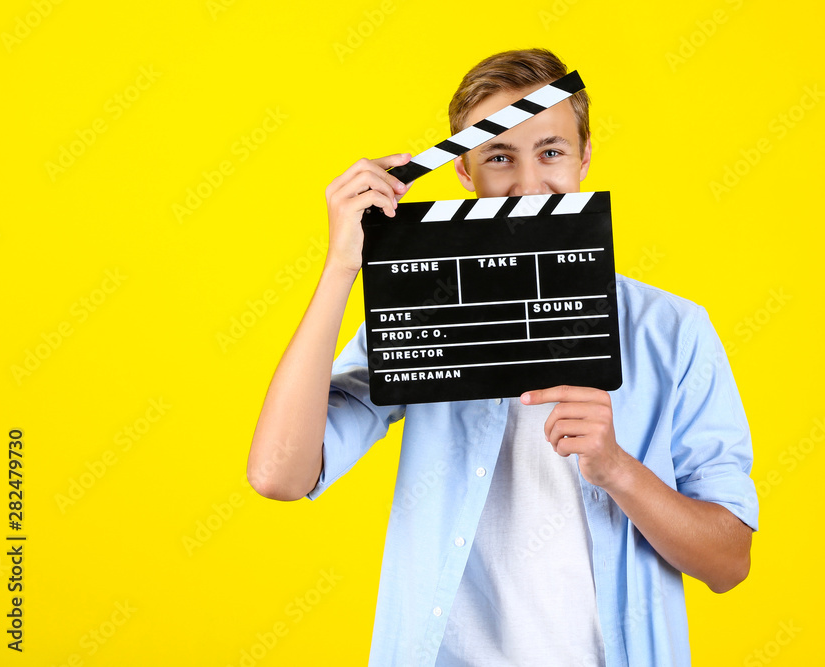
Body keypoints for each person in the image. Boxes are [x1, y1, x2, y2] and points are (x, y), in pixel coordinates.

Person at [247, 48, 758, 666]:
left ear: (584, 156)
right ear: (465, 173)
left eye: (551, 151)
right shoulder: (424, 315)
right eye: (498, 156)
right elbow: (279, 474)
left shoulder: (672, 331)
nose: (527, 185)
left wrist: (617, 467)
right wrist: (341, 267)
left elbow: (729, 562)